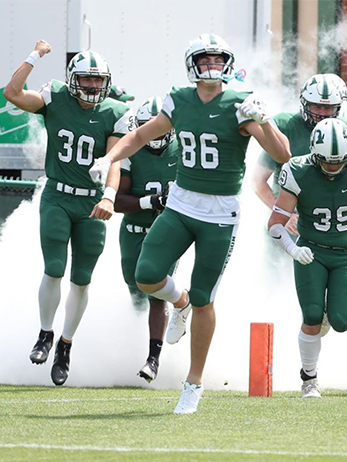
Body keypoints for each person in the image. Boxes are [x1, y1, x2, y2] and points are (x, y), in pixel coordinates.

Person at [89, 33, 290, 413]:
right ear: (192, 65)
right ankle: (177, 302)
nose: (212, 65)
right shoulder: (179, 100)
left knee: (204, 297)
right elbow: (139, 134)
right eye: (205, 59)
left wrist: (266, 120)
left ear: (227, 64)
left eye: (218, 59)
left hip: (220, 213)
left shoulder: (238, 105)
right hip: (182, 204)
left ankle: (193, 383)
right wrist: (109, 158)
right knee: (145, 274)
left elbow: (283, 153)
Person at [3, 40, 133, 385]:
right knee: (55, 268)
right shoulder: (56, 97)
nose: (92, 86)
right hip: (58, 195)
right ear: (73, 78)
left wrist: (108, 196)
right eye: (86, 79)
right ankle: (45, 333)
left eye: (97, 80)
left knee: (82, 279)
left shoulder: (114, 112)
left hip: (92, 201)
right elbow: (13, 93)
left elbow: (114, 160)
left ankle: (65, 345)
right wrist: (35, 55)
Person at [268, 118, 347, 398]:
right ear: (314, 155)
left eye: (339, 161)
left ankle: (324, 320)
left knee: (341, 321)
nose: (333, 167)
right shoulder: (298, 170)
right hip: (311, 251)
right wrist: (294, 249)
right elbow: (275, 223)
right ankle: (309, 379)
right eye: (326, 161)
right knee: (312, 315)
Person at [114, 96, 183, 383]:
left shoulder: (183, 150)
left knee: (156, 291)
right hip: (133, 230)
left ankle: (153, 359)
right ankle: (130, 349)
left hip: (167, 232)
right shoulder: (132, 150)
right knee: (136, 293)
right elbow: (117, 201)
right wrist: (150, 202)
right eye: (147, 128)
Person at [251, 73, 347, 235]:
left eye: (327, 108)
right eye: (316, 107)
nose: (321, 113)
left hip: (334, 224)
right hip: (290, 222)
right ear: (304, 104)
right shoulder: (286, 126)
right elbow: (257, 180)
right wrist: (285, 214)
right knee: (277, 260)